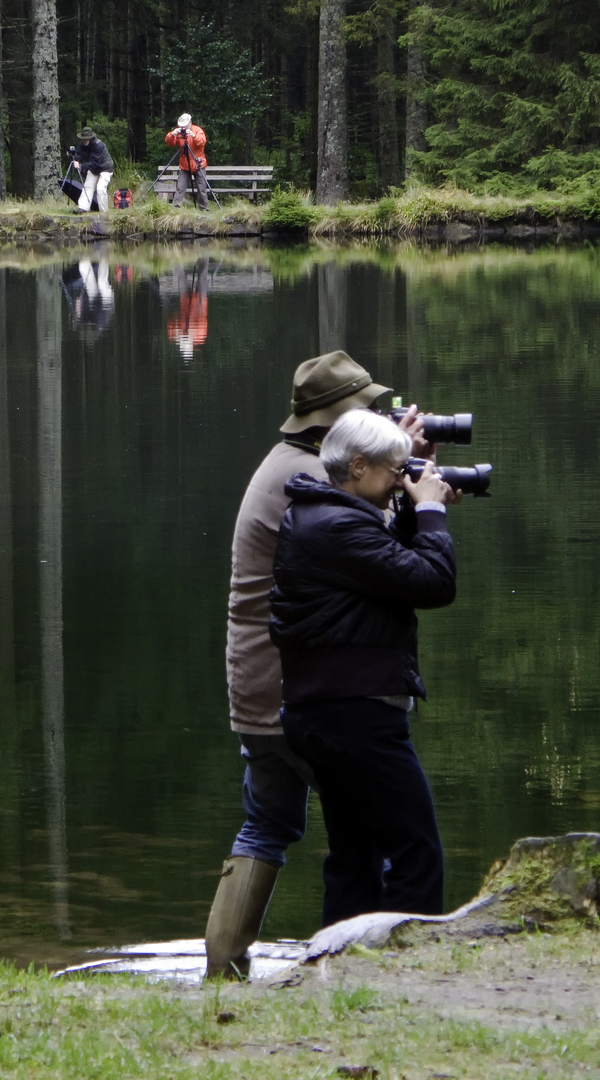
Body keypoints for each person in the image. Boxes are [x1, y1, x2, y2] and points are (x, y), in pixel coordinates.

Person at [203, 350, 432, 979]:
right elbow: (386, 564)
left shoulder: (290, 466)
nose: (380, 421)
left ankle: (222, 971)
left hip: (258, 682)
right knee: (375, 829)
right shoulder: (315, 483)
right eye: (369, 415)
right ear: (338, 427)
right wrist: (402, 474)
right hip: (308, 686)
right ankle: (372, 963)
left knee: (268, 823)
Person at [270, 409, 459, 928]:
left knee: (354, 856)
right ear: (357, 466)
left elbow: (385, 568)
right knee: (417, 852)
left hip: (325, 710)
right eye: (394, 471)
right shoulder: (337, 526)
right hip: (355, 715)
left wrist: (416, 509)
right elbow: (431, 584)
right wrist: (432, 515)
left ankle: (342, 967)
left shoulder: (322, 516)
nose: (402, 480)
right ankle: (409, 966)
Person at [164, 112, 209, 211]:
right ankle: (176, 208)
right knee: (180, 187)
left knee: (202, 188)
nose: (184, 128)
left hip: (198, 164)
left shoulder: (197, 130)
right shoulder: (179, 132)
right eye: (182, 126)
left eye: (185, 126)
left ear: (190, 123)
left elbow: (202, 142)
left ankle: (204, 209)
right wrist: (172, 134)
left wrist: (193, 136)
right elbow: (169, 142)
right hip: (185, 165)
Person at [71, 126, 115, 213]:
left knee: (100, 188)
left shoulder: (99, 145)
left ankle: (104, 212)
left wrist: (81, 166)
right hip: (94, 169)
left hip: (105, 168)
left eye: (86, 139)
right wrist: (73, 156)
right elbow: (79, 154)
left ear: (91, 138)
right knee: (88, 186)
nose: (85, 140)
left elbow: (95, 163)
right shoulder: (83, 145)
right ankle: (83, 208)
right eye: (83, 139)